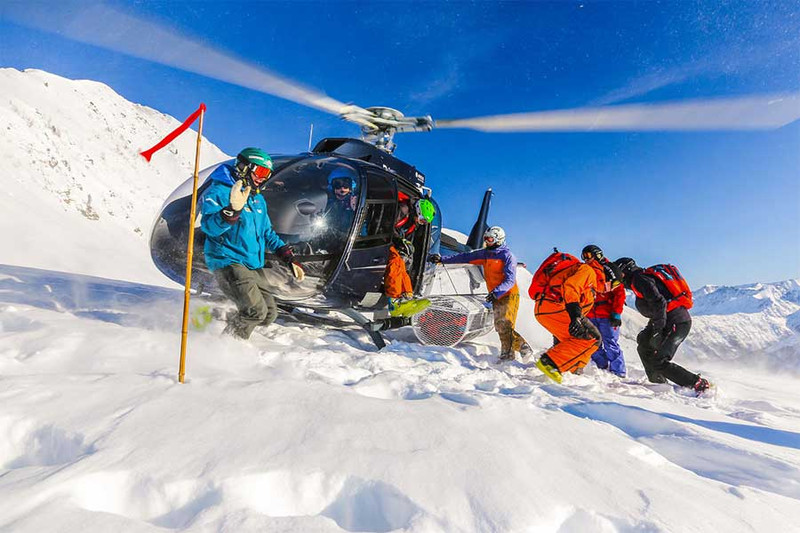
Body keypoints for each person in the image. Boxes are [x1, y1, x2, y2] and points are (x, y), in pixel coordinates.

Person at [200, 147, 295, 339]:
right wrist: (229, 213)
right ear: (244, 167)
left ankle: (220, 321)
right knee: (255, 311)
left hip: (252, 264)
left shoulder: (257, 199)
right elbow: (209, 227)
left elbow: (267, 232)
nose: (263, 178)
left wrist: (286, 254)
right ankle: (227, 345)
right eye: (259, 172)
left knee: (268, 314)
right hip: (227, 260)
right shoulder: (219, 191)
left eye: (266, 174)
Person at [430, 226, 530, 361]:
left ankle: (508, 356)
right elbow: (465, 256)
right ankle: (522, 347)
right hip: (495, 294)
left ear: (498, 240)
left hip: (508, 294)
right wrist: (442, 260)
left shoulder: (507, 256)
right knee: (500, 326)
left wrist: (497, 292)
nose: (487, 242)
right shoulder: (486, 254)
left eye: (490, 239)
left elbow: (510, 280)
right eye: (485, 239)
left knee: (505, 324)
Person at [612, 257, 710, 394]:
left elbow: (659, 303)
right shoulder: (639, 280)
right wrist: (651, 329)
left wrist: (657, 330)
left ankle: (697, 383)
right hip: (667, 321)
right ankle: (659, 384)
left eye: (618, 273)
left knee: (659, 360)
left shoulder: (640, 279)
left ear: (625, 270)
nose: (617, 277)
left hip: (677, 322)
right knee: (644, 345)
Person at [529, 249, 601, 382]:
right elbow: (571, 287)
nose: (611, 287)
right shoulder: (588, 271)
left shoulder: (587, 284)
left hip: (545, 308)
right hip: (555, 306)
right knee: (592, 337)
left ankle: (573, 369)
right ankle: (549, 363)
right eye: (613, 283)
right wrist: (575, 316)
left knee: (575, 339)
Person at [582, 245, 627, 377]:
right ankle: (601, 368)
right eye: (583, 257)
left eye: (588, 256)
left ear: (597, 255)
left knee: (610, 343)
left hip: (607, 315)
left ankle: (618, 372)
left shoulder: (610, 271)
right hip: (590, 313)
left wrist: (616, 313)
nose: (586, 259)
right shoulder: (586, 271)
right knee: (592, 342)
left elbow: (619, 294)